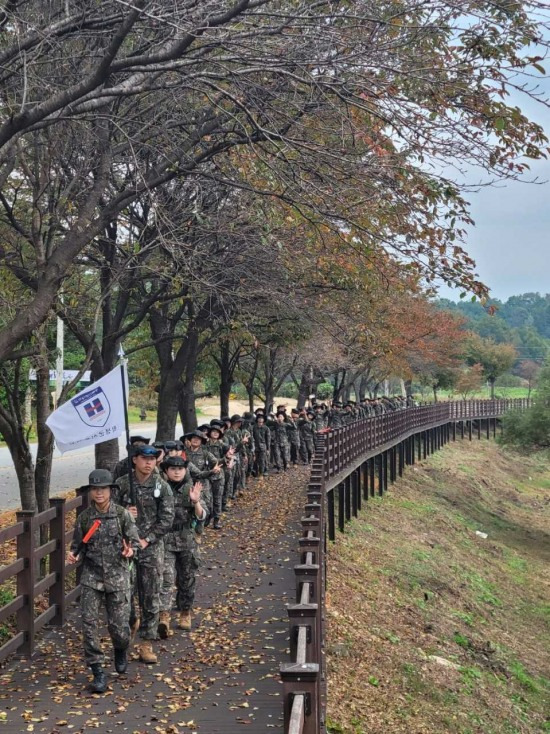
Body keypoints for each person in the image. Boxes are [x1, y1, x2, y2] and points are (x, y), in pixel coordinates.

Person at [68, 469, 140, 693]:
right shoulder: (85, 518)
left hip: (118, 578)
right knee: (88, 625)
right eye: (95, 489)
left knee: (119, 628)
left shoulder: (122, 515)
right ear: (90, 492)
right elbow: (77, 546)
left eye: (103, 489)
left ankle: (120, 648)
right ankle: (97, 670)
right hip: (92, 578)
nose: (99, 493)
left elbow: (135, 543)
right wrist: (73, 555)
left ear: (110, 490)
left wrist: (131, 551)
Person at [114, 445, 174, 664]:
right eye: (144, 458)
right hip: (126, 549)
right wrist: (123, 512)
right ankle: (131, 622)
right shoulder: (121, 485)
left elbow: (167, 519)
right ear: (134, 460)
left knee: (150, 596)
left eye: (152, 459)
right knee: (124, 594)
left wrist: (147, 539)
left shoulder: (162, 486)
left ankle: (146, 643)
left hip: (150, 548)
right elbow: (109, 514)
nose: (149, 463)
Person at [158, 456, 207, 634]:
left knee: (187, 578)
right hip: (165, 540)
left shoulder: (192, 488)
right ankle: (163, 614)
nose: (177, 471)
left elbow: (202, 516)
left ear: (185, 470)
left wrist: (195, 502)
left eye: (180, 468)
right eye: (172, 468)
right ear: (166, 471)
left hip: (187, 539)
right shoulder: (159, 489)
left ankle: (185, 612)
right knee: (166, 578)